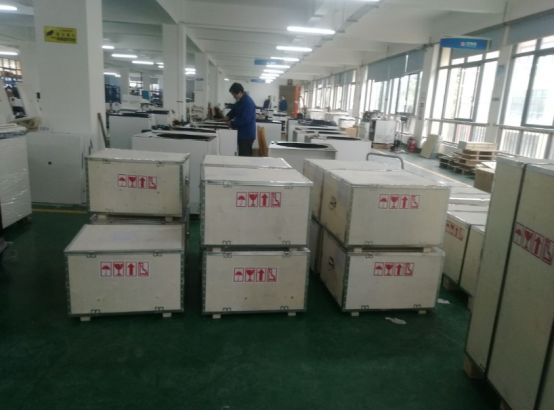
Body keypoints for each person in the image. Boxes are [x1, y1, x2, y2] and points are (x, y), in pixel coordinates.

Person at [226, 82, 256, 156]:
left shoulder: (247, 102)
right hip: (242, 133)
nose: (233, 96)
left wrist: (232, 123)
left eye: (234, 94)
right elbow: (235, 109)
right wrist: (228, 116)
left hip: (246, 135)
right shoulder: (241, 100)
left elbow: (245, 120)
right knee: (242, 155)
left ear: (239, 92)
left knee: (244, 157)